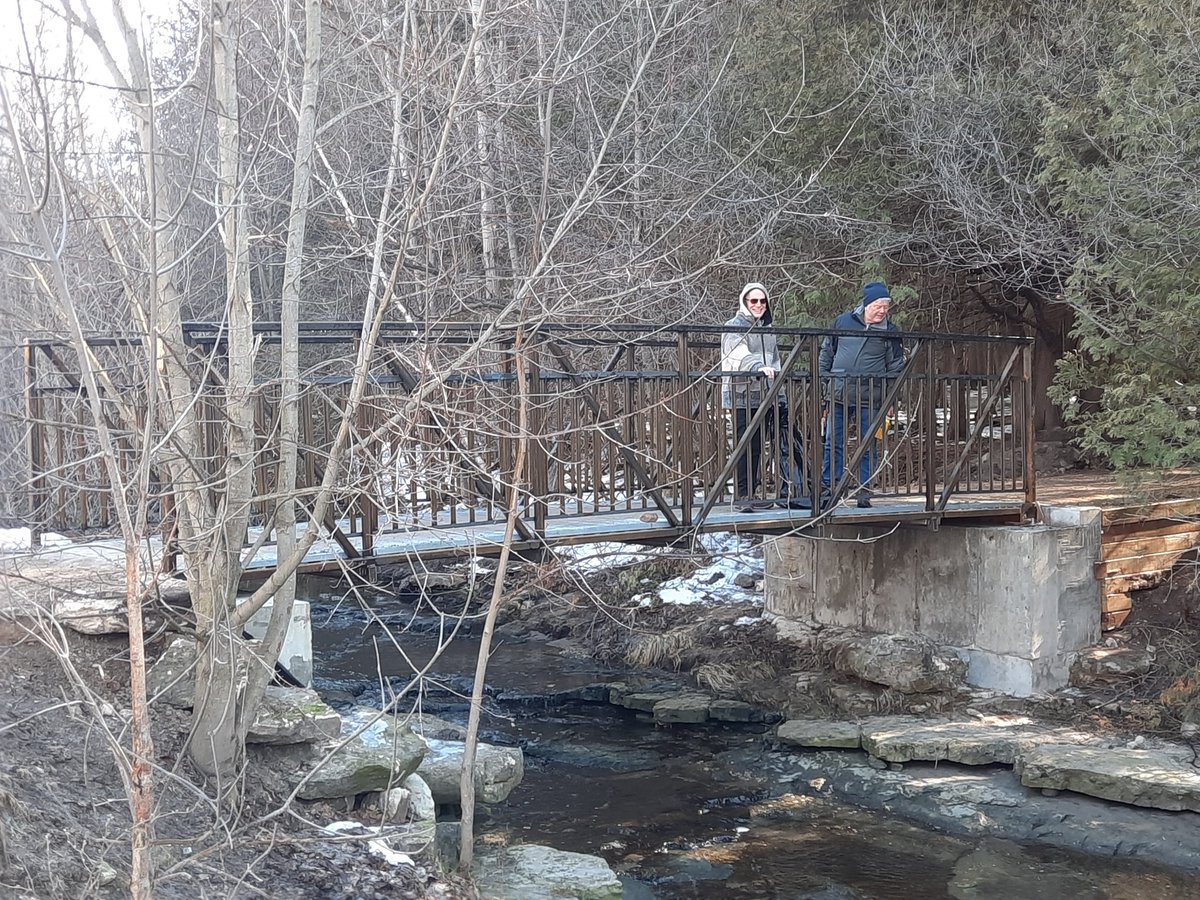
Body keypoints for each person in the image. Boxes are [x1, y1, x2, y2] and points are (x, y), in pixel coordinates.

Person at [721, 282, 808, 509]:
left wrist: (778, 390)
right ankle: (743, 496)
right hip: (743, 393)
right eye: (754, 301)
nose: (759, 305)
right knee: (746, 445)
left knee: (762, 445)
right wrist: (758, 366)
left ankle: (762, 493)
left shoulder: (767, 328)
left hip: (766, 393)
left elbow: (775, 361)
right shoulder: (735, 325)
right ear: (745, 302)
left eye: (762, 301)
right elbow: (738, 353)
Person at [819, 280, 905, 508]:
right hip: (838, 393)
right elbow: (828, 350)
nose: (882, 310)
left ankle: (863, 490)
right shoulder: (843, 321)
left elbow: (896, 367)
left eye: (886, 306)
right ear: (867, 304)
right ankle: (830, 487)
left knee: (868, 444)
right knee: (832, 442)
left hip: (872, 397)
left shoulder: (891, 332)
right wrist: (826, 378)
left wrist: (891, 399)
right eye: (878, 305)